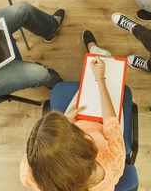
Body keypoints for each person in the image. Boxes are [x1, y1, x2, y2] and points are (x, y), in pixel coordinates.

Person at [20, 31, 125, 191]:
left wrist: (66, 122)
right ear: (83, 144)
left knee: (84, 96)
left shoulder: (31, 172)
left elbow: (48, 155)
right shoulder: (110, 164)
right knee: (112, 87)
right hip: (103, 127)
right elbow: (112, 124)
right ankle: (97, 53)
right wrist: (100, 79)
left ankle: (95, 52)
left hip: (79, 125)